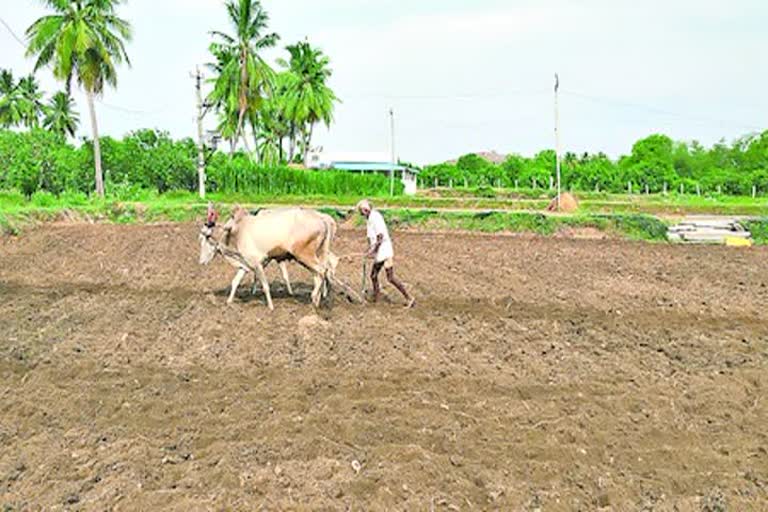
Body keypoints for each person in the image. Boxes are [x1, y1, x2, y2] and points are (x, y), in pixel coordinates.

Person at [357, 199, 415, 308]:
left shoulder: (375, 217)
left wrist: (374, 251)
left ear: (366, 209)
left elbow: (380, 236)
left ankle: (409, 298)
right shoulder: (369, 218)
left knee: (390, 277)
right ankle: (376, 296)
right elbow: (371, 237)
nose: (361, 214)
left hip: (384, 250)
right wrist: (369, 249)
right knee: (373, 275)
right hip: (380, 251)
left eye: (361, 211)